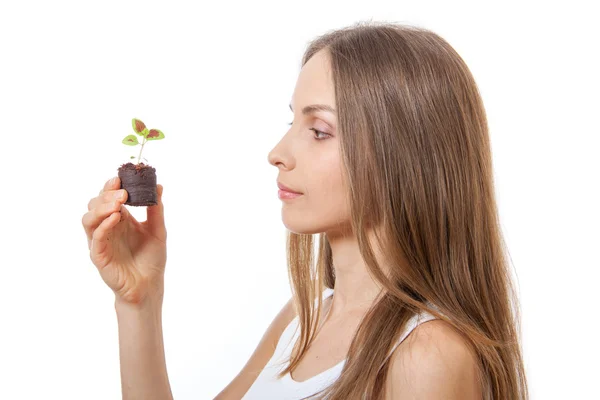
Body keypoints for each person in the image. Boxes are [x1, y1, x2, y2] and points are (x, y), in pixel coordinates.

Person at [81, 21, 528, 400]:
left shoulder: (426, 356)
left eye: (318, 130)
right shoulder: (303, 317)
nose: (277, 153)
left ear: (405, 153)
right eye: (291, 121)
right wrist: (138, 301)